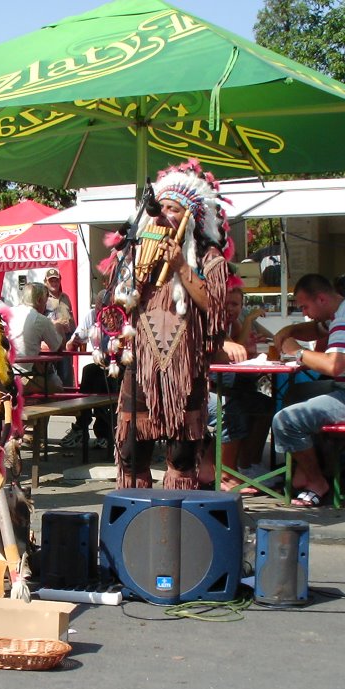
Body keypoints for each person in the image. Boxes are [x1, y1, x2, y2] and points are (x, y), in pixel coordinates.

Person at [107, 160, 228, 489]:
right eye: (159, 209)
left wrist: (180, 267)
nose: (162, 215)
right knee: (132, 453)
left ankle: (177, 528)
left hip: (185, 371)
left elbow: (217, 309)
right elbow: (115, 308)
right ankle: (133, 527)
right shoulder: (137, 255)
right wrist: (133, 277)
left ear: (188, 220)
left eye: (172, 209)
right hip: (142, 366)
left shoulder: (209, 259)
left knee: (182, 455)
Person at [272, 274, 345, 506]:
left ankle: (316, 480)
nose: (305, 312)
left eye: (306, 306)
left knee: (285, 420)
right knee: (295, 394)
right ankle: (304, 467)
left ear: (322, 299)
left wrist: (296, 351)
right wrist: (289, 330)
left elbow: (333, 365)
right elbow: (317, 329)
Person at [200, 283, 272, 491]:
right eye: (227, 304)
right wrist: (249, 320)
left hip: (224, 387)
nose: (231, 309)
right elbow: (236, 348)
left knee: (264, 405)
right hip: (200, 391)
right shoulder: (212, 325)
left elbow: (242, 350)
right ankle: (225, 475)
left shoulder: (232, 324)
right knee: (231, 411)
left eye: (236, 304)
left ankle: (248, 465)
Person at [61, 290, 117, 450]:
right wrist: (75, 342)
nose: (102, 311)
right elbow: (70, 345)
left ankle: (91, 429)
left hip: (118, 365)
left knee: (97, 378)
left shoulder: (120, 316)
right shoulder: (91, 315)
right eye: (99, 307)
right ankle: (86, 427)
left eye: (105, 307)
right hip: (100, 364)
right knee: (89, 372)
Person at [6, 282, 65, 396]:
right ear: (39, 300)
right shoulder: (40, 319)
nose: (45, 306)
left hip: (3, 375)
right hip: (23, 378)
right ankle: (42, 413)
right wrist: (59, 327)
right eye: (45, 301)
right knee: (56, 384)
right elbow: (58, 348)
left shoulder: (7, 312)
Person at [44, 267, 76, 388]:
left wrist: (75, 334)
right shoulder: (44, 298)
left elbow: (71, 316)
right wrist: (55, 323)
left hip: (67, 338)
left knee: (67, 371)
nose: (54, 283)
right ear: (46, 282)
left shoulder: (65, 297)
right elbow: (39, 319)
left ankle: (68, 397)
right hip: (51, 339)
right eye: (51, 281)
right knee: (53, 371)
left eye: (56, 280)